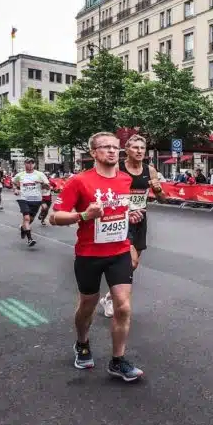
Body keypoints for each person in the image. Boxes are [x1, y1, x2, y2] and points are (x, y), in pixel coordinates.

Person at [48, 131, 144, 382]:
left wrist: (130, 215)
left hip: (119, 251)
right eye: (105, 147)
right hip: (89, 255)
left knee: (122, 306)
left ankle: (117, 360)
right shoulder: (78, 182)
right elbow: (54, 217)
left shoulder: (124, 180)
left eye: (116, 147)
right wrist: (83, 216)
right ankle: (82, 343)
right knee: (87, 307)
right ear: (93, 153)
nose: (113, 151)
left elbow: (119, 210)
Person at [99, 134, 167, 319]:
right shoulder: (117, 169)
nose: (139, 151)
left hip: (140, 220)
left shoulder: (150, 170)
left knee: (132, 266)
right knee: (132, 261)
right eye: (135, 148)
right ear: (126, 150)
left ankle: (108, 297)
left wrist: (158, 189)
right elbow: (104, 193)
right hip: (120, 220)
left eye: (142, 148)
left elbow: (162, 199)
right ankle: (114, 299)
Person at [13, 158, 50, 248]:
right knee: (26, 219)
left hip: (36, 199)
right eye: (27, 163)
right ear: (25, 164)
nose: (29, 165)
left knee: (31, 219)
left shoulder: (40, 174)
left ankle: (23, 228)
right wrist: (16, 189)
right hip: (24, 199)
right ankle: (30, 239)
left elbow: (48, 187)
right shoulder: (20, 175)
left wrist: (41, 183)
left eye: (31, 163)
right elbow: (14, 182)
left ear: (34, 165)